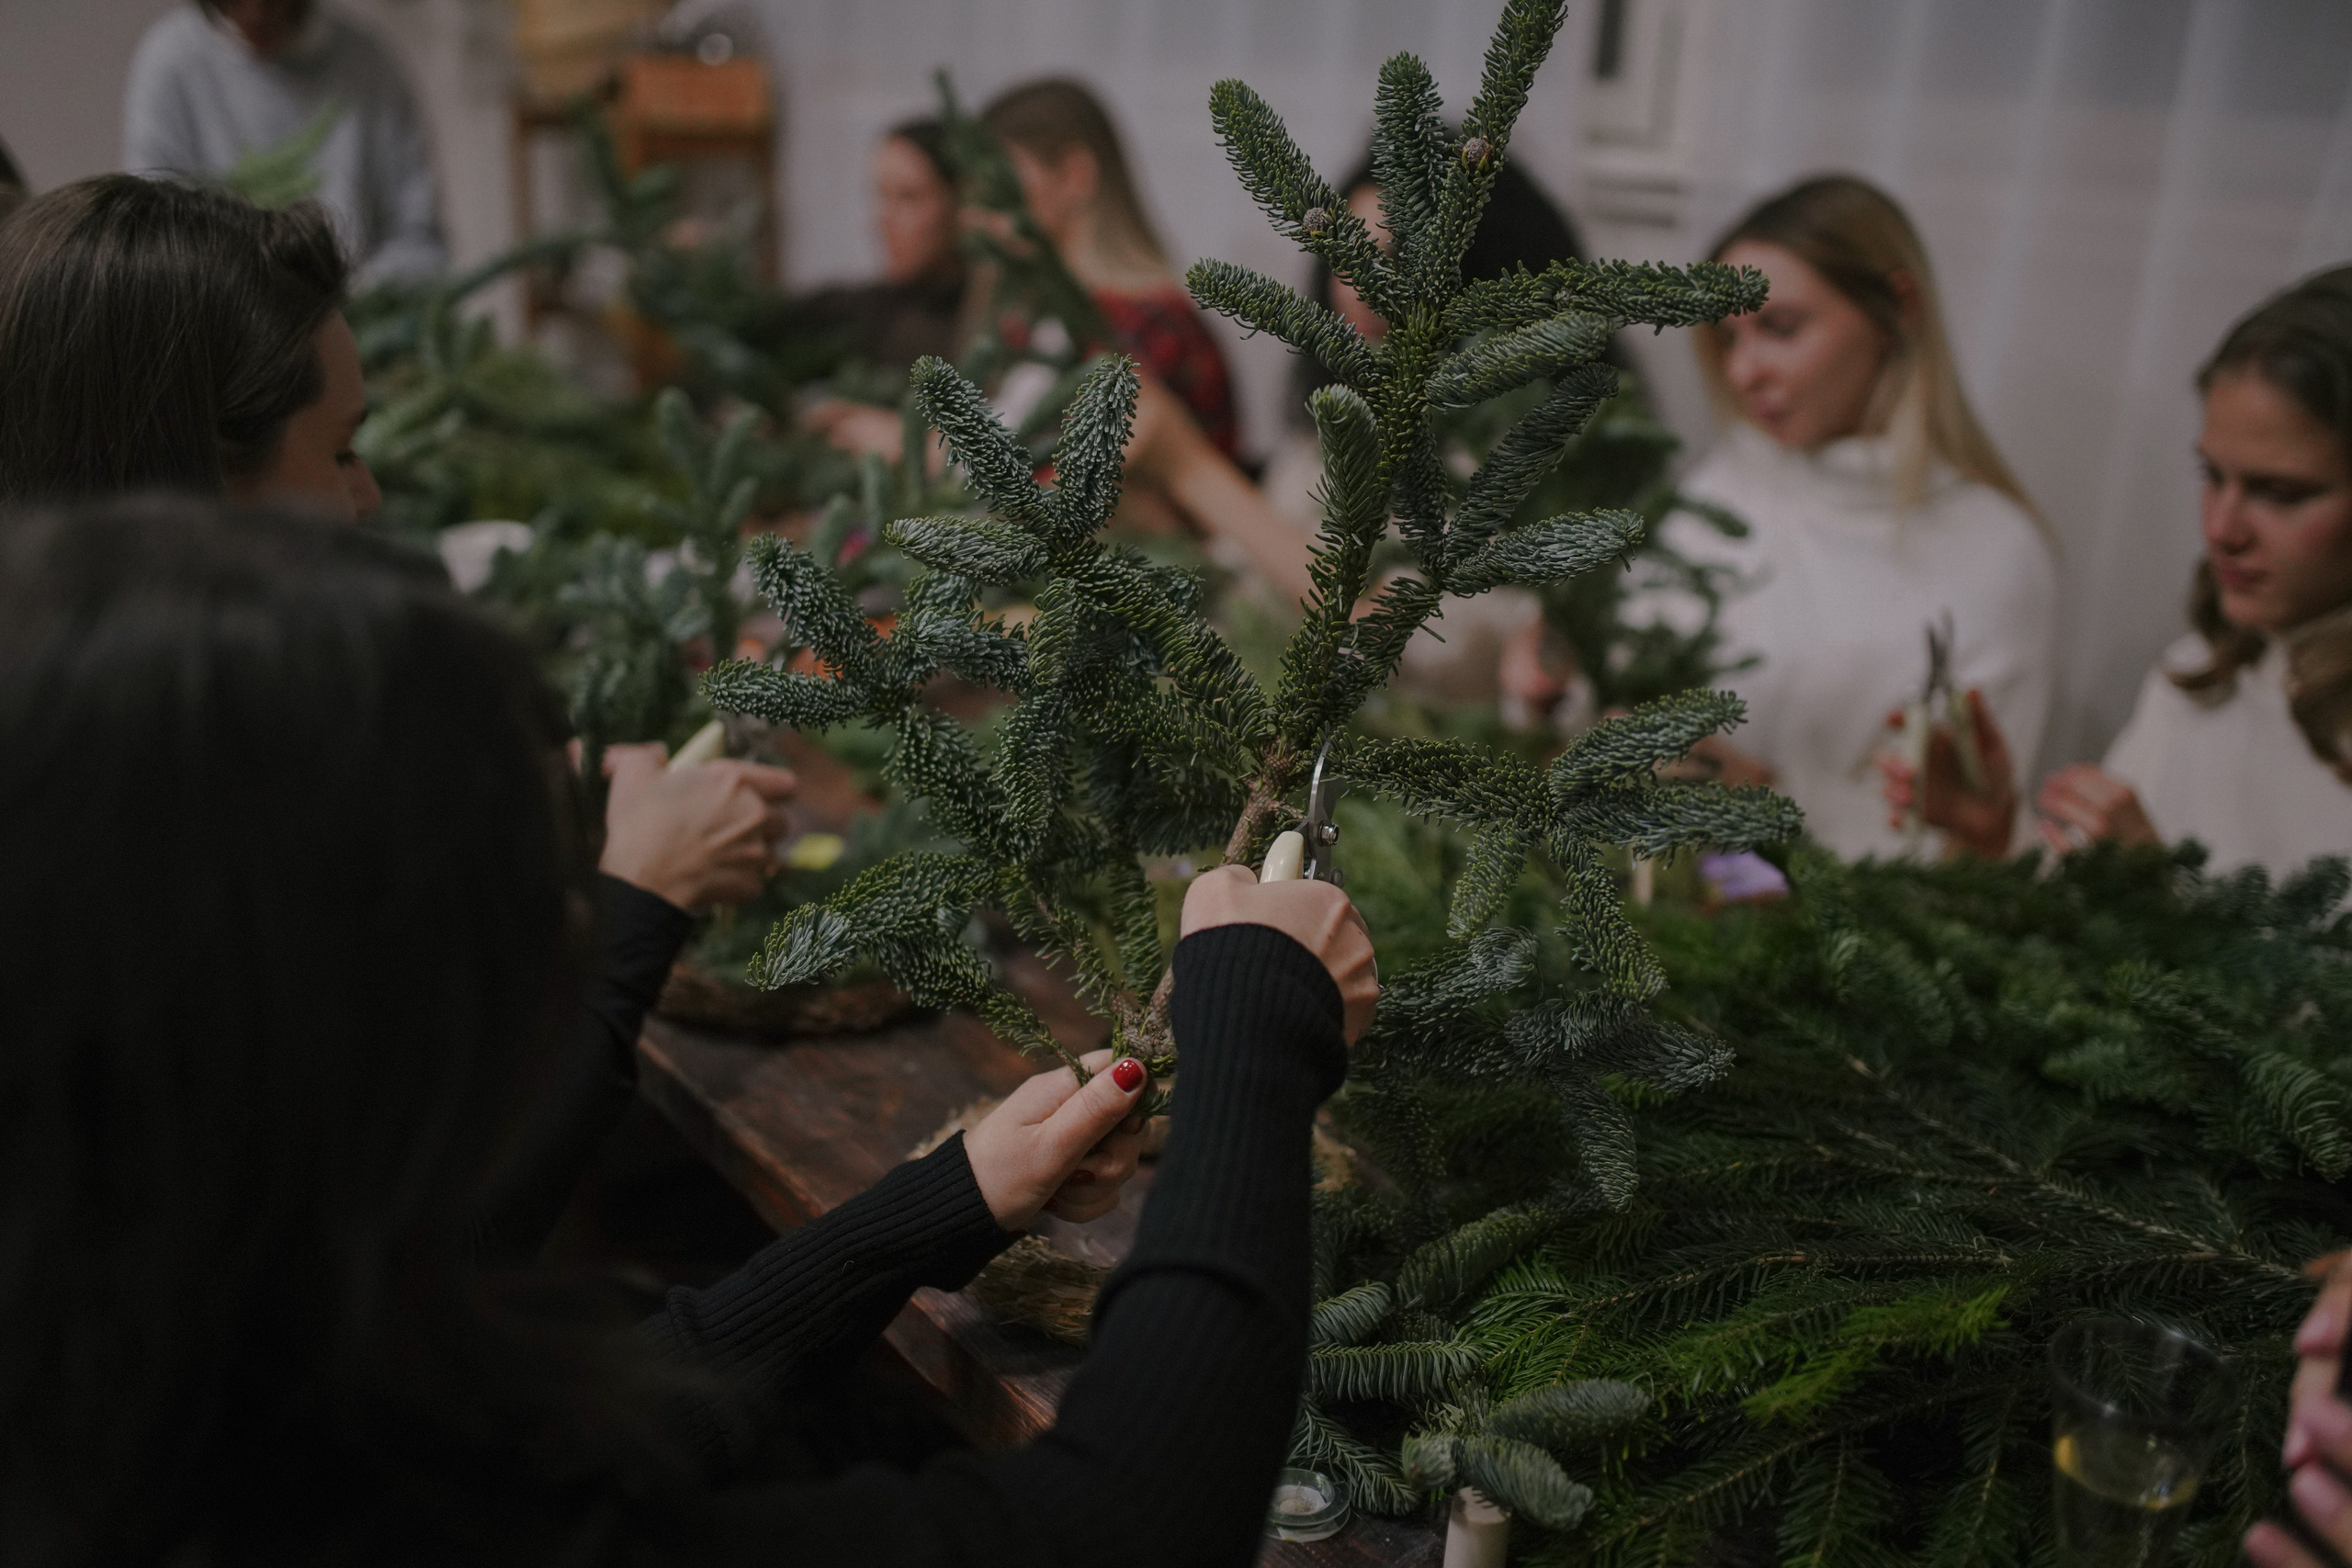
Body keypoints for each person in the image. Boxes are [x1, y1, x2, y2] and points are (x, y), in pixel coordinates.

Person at [0, 495, 1377, 1563]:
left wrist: (938, 1206)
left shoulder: (180, 1363)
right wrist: (1254, 1033)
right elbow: (1120, 1527)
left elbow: (602, 1413)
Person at [0, 175, 795, 1258]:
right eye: (337, 450)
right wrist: (638, 904)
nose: (368, 497)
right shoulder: (149, 878)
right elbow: (426, 1244)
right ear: (190, 482)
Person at [1622, 174, 2057, 861]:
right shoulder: (1729, 482)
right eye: (1727, 340)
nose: (1743, 373)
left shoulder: (1992, 550)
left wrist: (1763, 797)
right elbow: (1624, 683)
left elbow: (1967, 846)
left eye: (1780, 328)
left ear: (1897, 310)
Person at [1886, 267, 2352, 880]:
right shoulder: (2197, 680)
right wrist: (1993, 833)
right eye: (2212, 477)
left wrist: (2163, 902)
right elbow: (2083, 937)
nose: (2222, 529)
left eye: (2280, 492)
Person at [982, 77, 1239, 458]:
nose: (980, 211)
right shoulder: (1032, 318)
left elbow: (1076, 493)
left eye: (1001, 182)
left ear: (1074, 175)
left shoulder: (1150, 330)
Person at [123, 0, 445, 286]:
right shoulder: (170, 61)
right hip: (222, 327)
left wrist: (356, 297)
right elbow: (152, 240)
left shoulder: (367, 63)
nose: (256, 11)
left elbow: (421, 241)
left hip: (357, 318)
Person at [798, 118, 971, 458]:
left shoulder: (995, 322)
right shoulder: (869, 310)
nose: (884, 219)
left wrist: (902, 439)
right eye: (880, 196)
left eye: (909, 197)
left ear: (962, 204)